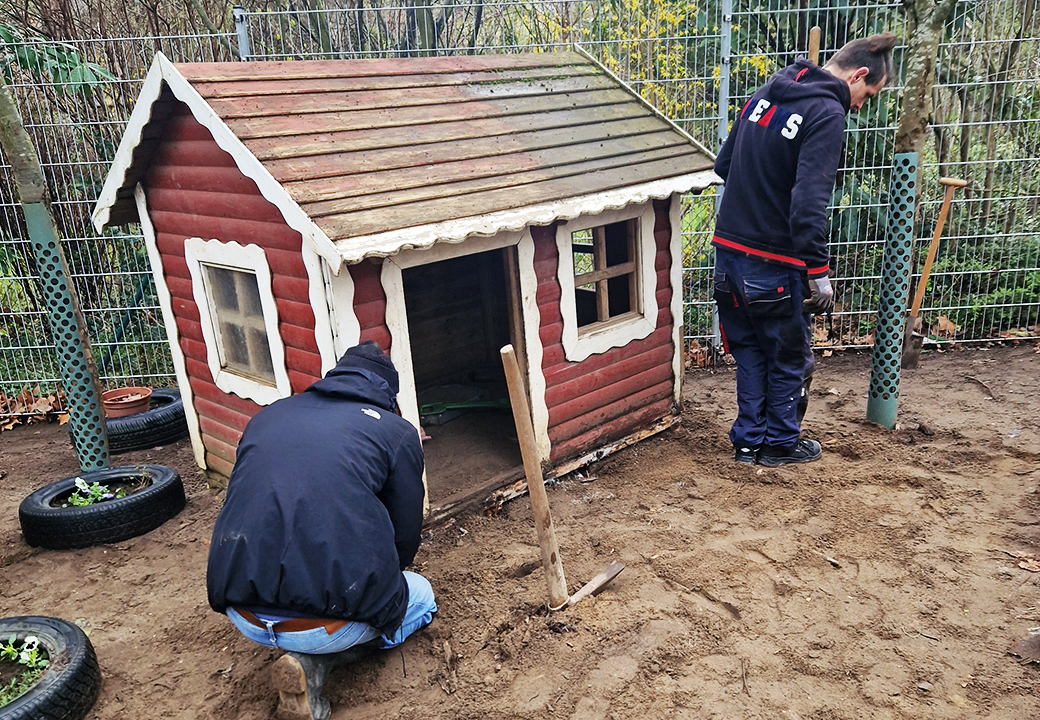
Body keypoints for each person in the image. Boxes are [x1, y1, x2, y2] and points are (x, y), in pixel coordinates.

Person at [206, 340, 435, 720]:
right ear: (388, 395)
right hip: (326, 627)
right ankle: (314, 664)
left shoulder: (267, 416)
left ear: (334, 378)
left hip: (242, 612)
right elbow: (405, 537)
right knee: (421, 597)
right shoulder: (396, 432)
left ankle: (302, 651)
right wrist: (388, 579)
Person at [711, 33, 897, 467]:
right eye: (868, 95)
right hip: (775, 263)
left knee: (750, 351)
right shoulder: (827, 113)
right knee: (788, 357)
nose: (860, 106)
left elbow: (724, 164)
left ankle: (747, 444)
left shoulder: (766, 92)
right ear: (858, 75)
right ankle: (779, 445)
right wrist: (819, 273)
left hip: (727, 254)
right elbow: (808, 205)